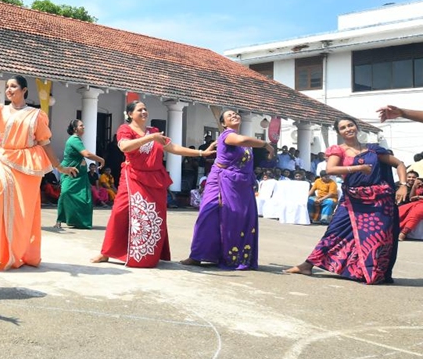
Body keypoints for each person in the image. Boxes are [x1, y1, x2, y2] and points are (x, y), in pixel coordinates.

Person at [0, 61, 78, 271]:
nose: (9, 90)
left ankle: (21, 253)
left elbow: (45, 142)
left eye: (13, 86)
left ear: (24, 90)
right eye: (7, 87)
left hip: (27, 168)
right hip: (4, 161)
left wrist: (59, 167)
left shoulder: (36, 115)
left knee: (23, 211)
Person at [90, 101, 216, 268]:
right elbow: (125, 147)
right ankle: (106, 252)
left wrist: (201, 152)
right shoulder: (125, 129)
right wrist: (150, 138)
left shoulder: (154, 131)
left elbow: (172, 147)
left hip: (154, 178)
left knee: (154, 215)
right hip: (132, 176)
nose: (144, 112)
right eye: (139, 109)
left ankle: (150, 253)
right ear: (130, 114)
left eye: (145, 109)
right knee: (120, 212)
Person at [285, 116, 407, 284]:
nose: (348, 129)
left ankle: (369, 272)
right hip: (352, 200)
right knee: (334, 232)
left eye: (350, 125)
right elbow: (331, 169)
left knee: (376, 237)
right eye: (343, 127)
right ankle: (307, 265)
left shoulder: (374, 150)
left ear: (356, 127)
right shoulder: (338, 150)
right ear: (339, 132)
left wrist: (403, 185)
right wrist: (358, 168)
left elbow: (399, 164)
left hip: (379, 201)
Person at [181, 109, 275, 270]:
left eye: (236, 114)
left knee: (238, 217)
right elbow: (242, 140)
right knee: (209, 215)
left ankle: (225, 255)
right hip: (220, 180)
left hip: (240, 184)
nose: (235, 116)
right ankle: (196, 255)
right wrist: (266, 144)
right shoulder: (228, 135)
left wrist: (212, 145)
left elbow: (236, 145)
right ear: (223, 124)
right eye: (229, 115)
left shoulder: (235, 139)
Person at [55, 119, 105, 229]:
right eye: (81, 125)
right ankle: (59, 220)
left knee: (84, 198)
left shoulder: (78, 140)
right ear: (75, 129)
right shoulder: (73, 139)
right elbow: (86, 154)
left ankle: (79, 221)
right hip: (69, 172)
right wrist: (101, 159)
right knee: (65, 192)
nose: (84, 127)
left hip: (80, 175)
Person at [398, 170, 423, 240]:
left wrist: (419, 197)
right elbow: (411, 198)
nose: (411, 179)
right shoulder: (419, 185)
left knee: (417, 211)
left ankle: (404, 233)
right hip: (417, 203)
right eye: (409, 177)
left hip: (421, 204)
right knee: (401, 210)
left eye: (413, 177)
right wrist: (415, 186)